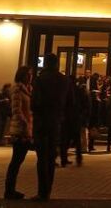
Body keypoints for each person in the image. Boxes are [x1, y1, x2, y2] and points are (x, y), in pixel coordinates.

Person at [32, 53, 70, 201]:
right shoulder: (64, 80)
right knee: (51, 156)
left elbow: (35, 102)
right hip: (56, 122)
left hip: (42, 122)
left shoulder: (41, 79)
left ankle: (42, 191)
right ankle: (48, 190)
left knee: (42, 157)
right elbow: (70, 102)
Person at [4, 66, 33, 201]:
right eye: (28, 74)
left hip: (26, 130)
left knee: (18, 161)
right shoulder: (17, 89)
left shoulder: (28, 89)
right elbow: (16, 110)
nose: (30, 76)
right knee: (16, 161)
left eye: (30, 74)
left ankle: (11, 189)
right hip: (20, 130)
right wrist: (25, 123)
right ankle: (9, 190)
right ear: (22, 75)